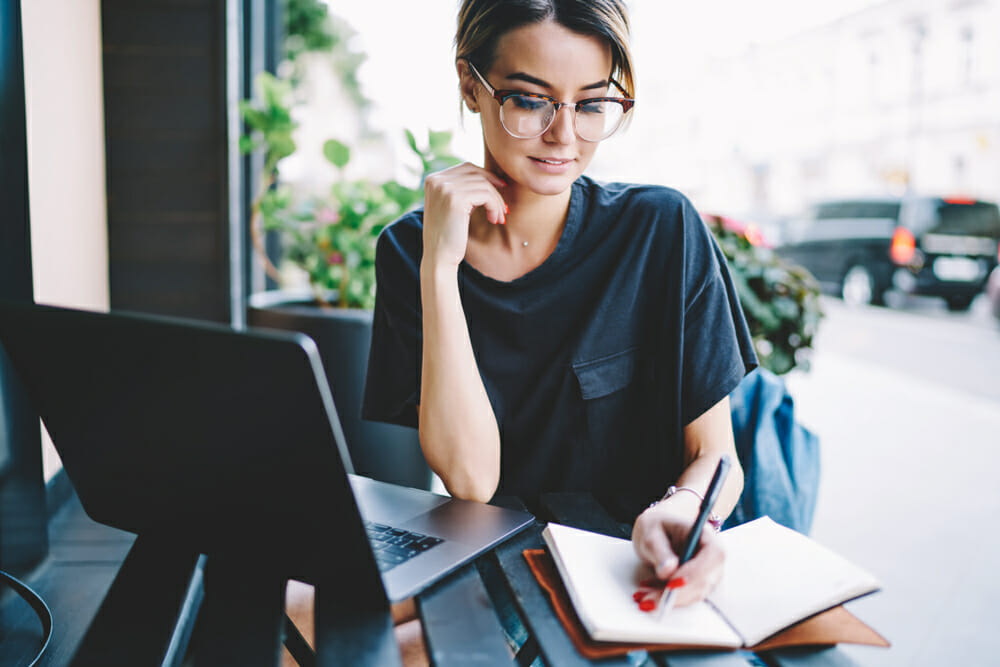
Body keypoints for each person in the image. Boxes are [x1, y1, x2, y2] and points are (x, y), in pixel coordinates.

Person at [361, 0, 757, 652]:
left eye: (593, 104)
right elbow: (471, 479)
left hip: (620, 566)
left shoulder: (659, 230)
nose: (564, 136)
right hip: (485, 552)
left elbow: (714, 457)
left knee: (393, 652)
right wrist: (440, 269)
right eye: (529, 100)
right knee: (292, 616)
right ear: (471, 85)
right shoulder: (411, 249)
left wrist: (681, 509)